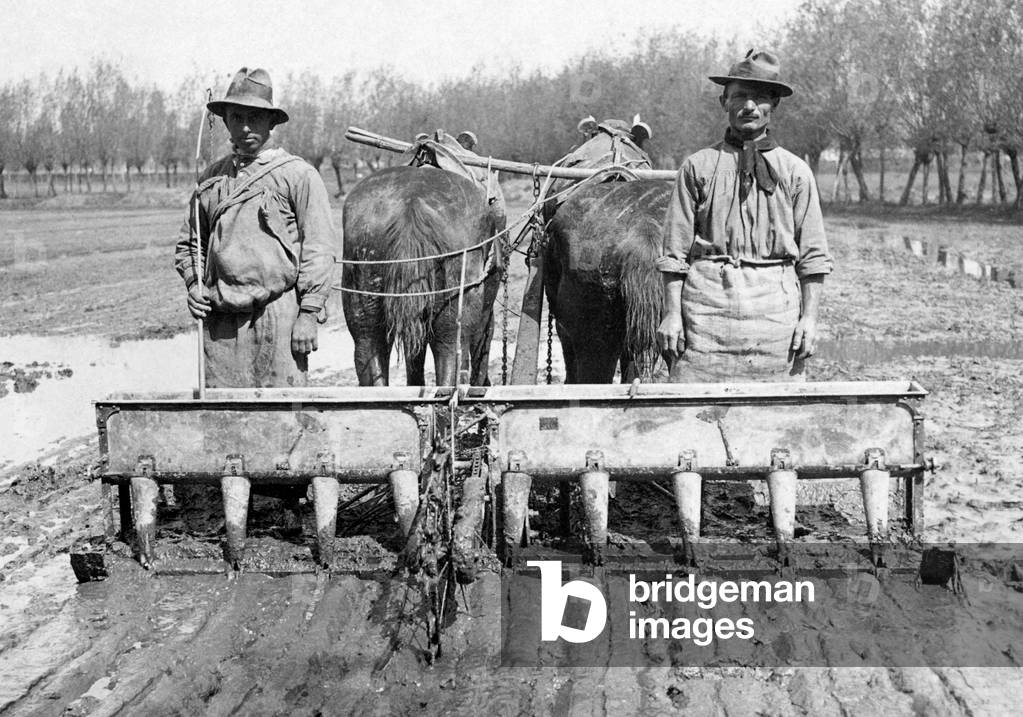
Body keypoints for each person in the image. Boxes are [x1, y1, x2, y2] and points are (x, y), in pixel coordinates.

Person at [655, 49, 832, 382]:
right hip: (705, 312)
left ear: (774, 104)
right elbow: (674, 253)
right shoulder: (697, 166)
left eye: (760, 97)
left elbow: (813, 258)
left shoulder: (795, 172)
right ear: (724, 101)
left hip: (774, 314)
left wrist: (809, 319)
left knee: (770, 417)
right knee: (694, 415)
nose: (749, 106)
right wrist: (672, 315)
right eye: (739, 96)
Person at [174, 67, 338, 388]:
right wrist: (195, 286)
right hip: (219, 321)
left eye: (256, 118)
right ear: (225, 121)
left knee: (284, 420)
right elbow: (191, 245)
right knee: (223, 421)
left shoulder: (298, 176)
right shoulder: (211, 179)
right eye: (237, 118)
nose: (246, 127)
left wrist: (308, 314)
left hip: (278, 316)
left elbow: (319, 247)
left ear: (271, 122)